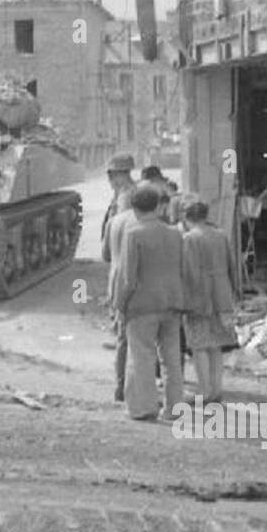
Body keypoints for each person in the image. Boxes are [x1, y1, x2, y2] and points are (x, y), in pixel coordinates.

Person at [114, 184, 186, 421]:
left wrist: (120, 305)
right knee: (172, 359)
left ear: (134, 209)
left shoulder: (133, 235)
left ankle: (143, 407)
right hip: (172, 303)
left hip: (142, 306)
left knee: (142, 356)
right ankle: (174, 408)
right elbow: (183, 269)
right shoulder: (176, 233)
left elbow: (128, 277)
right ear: (158, 206)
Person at [181, 198, 240, 404]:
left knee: (199, 346)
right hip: (222, 295)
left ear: (187, 218)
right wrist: (233, 292)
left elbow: (189, 272)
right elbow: (232, 266)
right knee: (217, 345)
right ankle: (216, 390)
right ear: (206, 216)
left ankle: (204, 391)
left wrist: (184, 299)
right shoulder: (221, 235)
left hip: (200, 297)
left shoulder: (189, 238)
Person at [100, 152, 137, 402]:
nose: (110, 179)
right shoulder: (125, 194)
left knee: (127, 336)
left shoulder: (125, 199)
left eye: (112, 174)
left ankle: (123, 386)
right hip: (123, 271)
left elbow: (114, 244)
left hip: (124, 275)